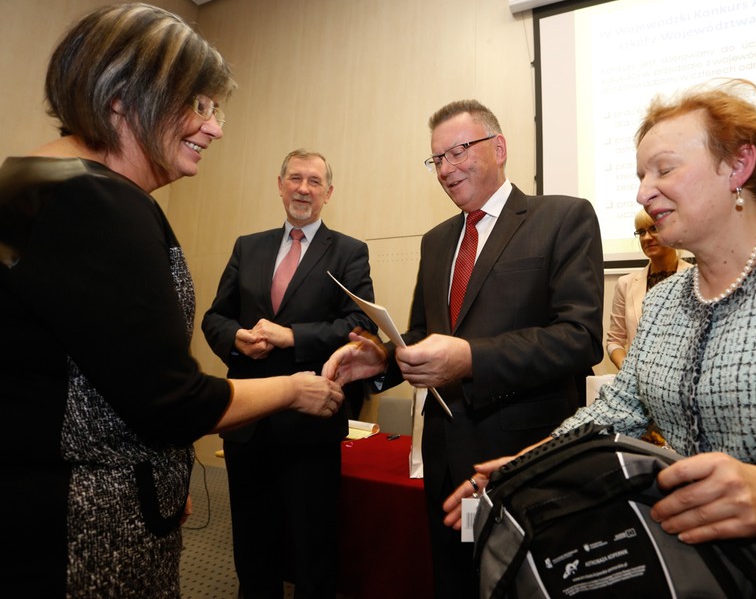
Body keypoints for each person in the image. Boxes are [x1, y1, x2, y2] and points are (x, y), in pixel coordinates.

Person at [444, 79, 756, 597]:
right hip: (706, 579)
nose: (642, 192)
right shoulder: (663, 301)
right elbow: (613, 411)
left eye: (664, 169)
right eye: (641, 176)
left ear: (738, 166)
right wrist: (528, 467)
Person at [0, 5, 344, 598]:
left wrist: (162, 470)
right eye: (199, 105)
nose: (215, 128)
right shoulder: (98, 203)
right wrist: (296, 388)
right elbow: (171, 401)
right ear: (122, 98)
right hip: (87, 532)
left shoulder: (28, 179)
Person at [323, 99, 604, 598]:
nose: (447, 170)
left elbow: (580, 339)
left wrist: (473, 358)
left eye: (459, 152)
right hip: (445, 455)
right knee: (457, 578)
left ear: (498, 147)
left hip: (521, 454)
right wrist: (383, 361)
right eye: (437, 159)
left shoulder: (563, 217)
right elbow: (418, 335)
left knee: (520, 582)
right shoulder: (435, 241)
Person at [201, 149, 376, 598]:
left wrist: (291, 337)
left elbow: (360, 328)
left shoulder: (350, 252)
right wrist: (236, 337)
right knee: (252, 550)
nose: (303, 188)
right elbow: (215, 318)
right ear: (279, 185)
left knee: (312, 552)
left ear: (328, 193)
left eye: (314, 181)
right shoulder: (248, 245)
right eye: (295, 178)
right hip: (248, 423)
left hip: (309, 426)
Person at [607, 208, 692, 370]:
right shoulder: (625, 284)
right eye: (640, 232)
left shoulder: (696, 278)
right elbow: (614, 341)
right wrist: (628, 370)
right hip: (639, 385)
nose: (646, 237)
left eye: (653, 229)